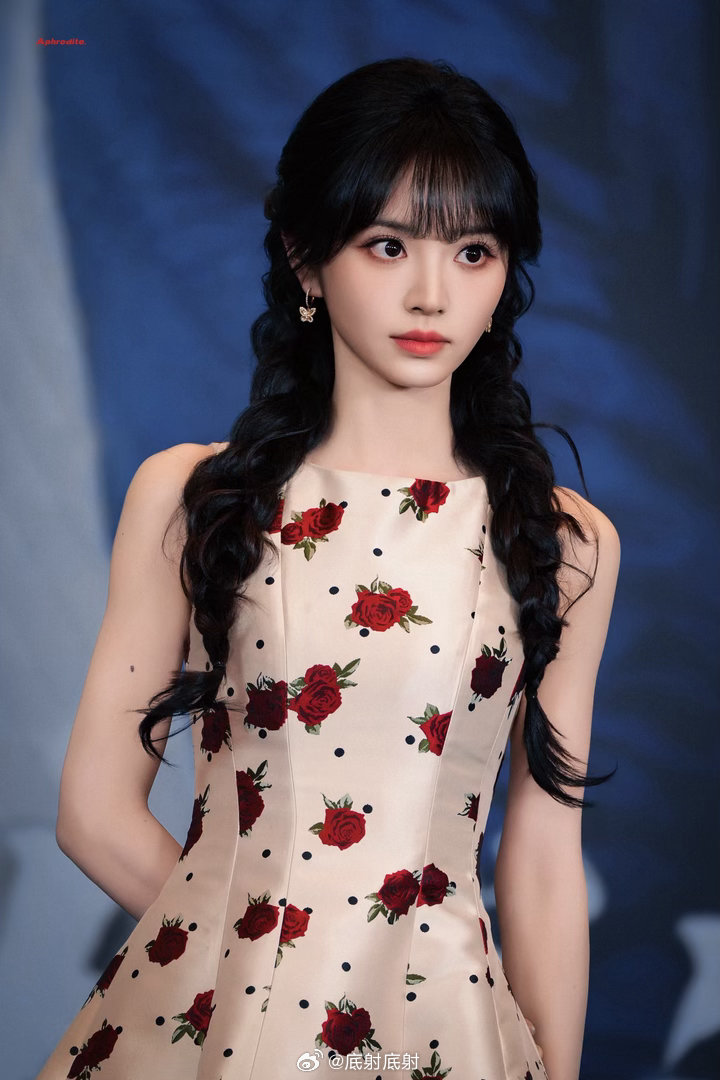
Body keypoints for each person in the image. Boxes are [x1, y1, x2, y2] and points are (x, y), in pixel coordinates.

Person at [37, 57, 620, 1080]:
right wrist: (259, 964)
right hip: (217, 1021)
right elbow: (94, 813)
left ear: (504, 273)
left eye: (472, 251)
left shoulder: (564, 540)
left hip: (449, 1031)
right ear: (306, 260)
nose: (432, 293)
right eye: (387, 245)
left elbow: (541, 862)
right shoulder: (195, 497)